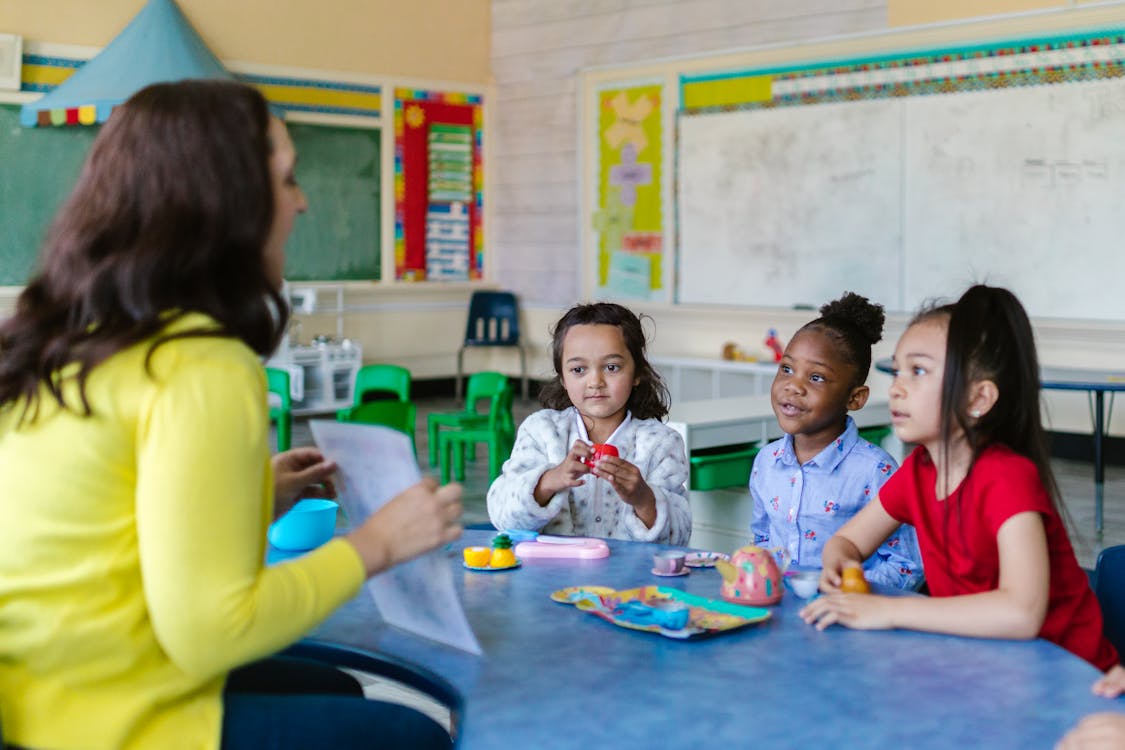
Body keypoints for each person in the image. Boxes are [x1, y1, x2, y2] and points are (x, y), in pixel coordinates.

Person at [0, 80, 462, 750]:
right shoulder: (201, 364)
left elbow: (101, 531)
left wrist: (251, 495)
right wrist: (376, 545)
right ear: (225, 201)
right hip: (103, 721)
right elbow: (211, 630)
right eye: (287, 179)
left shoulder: (77, 336)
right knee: (411, 735)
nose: (302, 201)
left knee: (339, 689)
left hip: (37, 692)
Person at [800, 285, 1118, 672]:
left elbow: (1021, 613)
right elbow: (847, 540)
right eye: (898, 370)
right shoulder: (918, 471)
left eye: (918, 371)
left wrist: (890, 610)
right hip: (988, 666)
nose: (897, 388)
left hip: (1070, 679)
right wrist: (841, 565)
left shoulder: (1007, 477)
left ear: (978, 399)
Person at [750, 292, 922, 589]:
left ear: (855, 398)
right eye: (787, 369)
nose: (794, 386)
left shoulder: (875, 471)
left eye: (816, 377)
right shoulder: (766, 462)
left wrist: (843, 589)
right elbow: (763, 540)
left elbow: (907, 567)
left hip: (847, 616)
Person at [487, 302, 690, 544]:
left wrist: (644, 499)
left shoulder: (661, 443)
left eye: (612, 367)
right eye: (578, 369)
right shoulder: (540, 431)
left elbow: (680, 537)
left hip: (629, 580)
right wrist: (550, 480)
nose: (595, 381)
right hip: (551, 578)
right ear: (562, 377)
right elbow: (502, 516)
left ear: (637, 373)